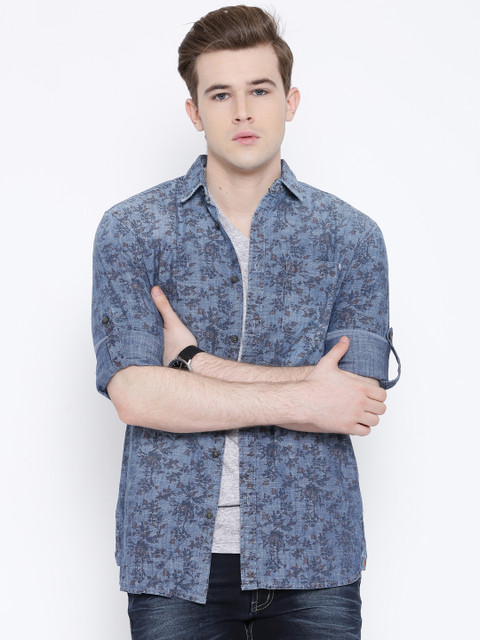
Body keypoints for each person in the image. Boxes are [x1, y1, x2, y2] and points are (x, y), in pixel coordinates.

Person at [92, 5, 400, 639]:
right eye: (220, 94)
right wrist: (306, 395)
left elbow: (354, 400)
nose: (241, 112)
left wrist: (192, 364)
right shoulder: (132, 230)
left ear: (290, 101)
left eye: (259, 91)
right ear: (194, 112)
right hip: (172, 558)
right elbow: (135, 394)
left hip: (315, 555)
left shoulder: (352, 237)